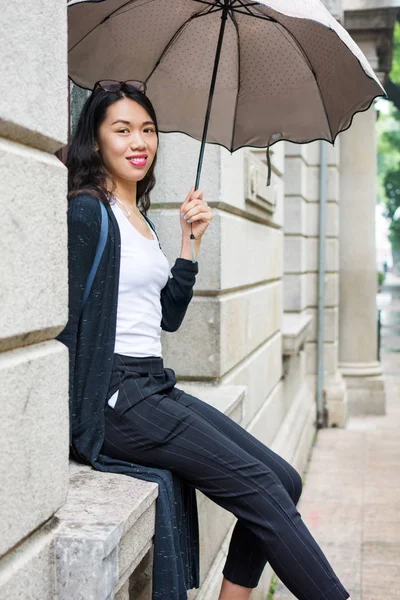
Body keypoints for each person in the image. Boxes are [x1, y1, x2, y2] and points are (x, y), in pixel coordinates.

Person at [57, 80, 351, 600]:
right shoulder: (86, 211)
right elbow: (62, 321)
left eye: (147, 129)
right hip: (117, 396)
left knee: (282, 480)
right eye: (121, 130)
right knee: (262, 490)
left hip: (151, 386)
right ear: (95, 140)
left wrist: (190, 243)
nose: (138, 141)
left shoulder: (139, 219)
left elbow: (166, 317)